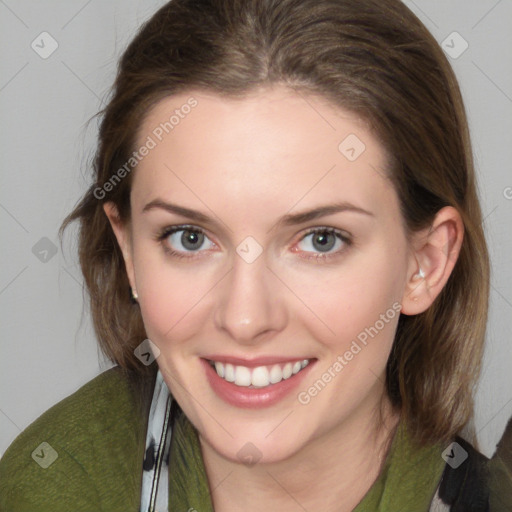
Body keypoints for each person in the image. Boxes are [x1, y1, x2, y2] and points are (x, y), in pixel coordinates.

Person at [0, 0, 500, 510]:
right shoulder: (48, 486)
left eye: (320, 240)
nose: (245, 318)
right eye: (189, 237)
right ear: (128, 250)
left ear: (426, 263)